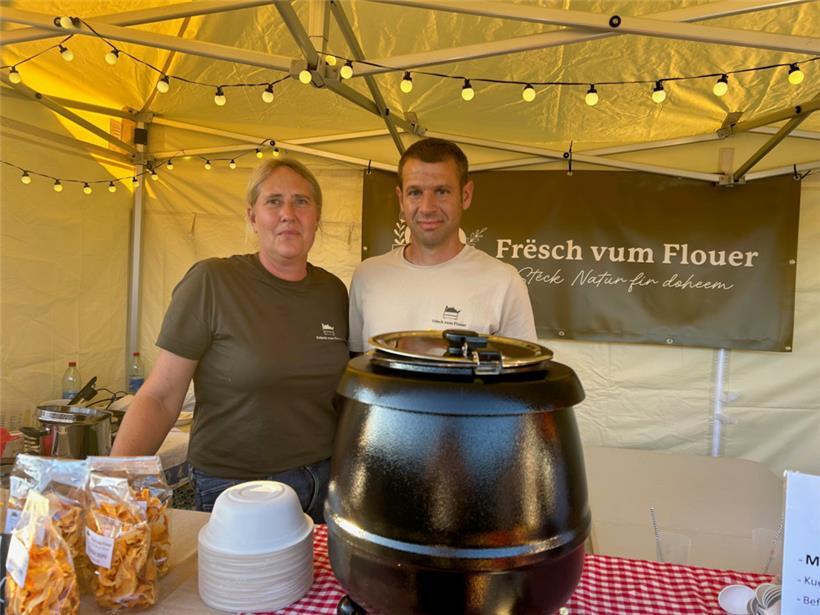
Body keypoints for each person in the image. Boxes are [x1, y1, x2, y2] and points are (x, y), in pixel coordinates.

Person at [111, 159, 349, 522]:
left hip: (320, 483)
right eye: (274, 201)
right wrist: (112, 481)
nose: (288, 213)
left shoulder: (333, 292)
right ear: (253, 217)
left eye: (301, 201)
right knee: (242, 581)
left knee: (313, 581)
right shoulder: (212, 281)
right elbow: (160, 396)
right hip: (236, 488)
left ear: (317, 217)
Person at [349, 137, 537, 352]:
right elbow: (357, 362)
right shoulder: (367, 275)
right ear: (401, 199)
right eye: (415, 193)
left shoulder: (505, 282)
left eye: (441, 192)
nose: (427, 207)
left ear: (465, 196)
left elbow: (524, 377)